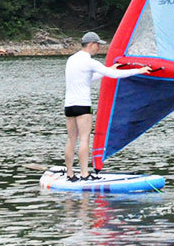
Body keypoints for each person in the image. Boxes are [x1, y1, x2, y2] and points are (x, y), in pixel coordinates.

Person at [63, 32, 151, 181]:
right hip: (83, 106)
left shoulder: (71, 60)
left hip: (69, 106)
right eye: (98, 45)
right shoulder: (89, 61)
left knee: (71, 140)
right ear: (90, 44)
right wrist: (138, 70)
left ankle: (70, 173)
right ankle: (84, 174)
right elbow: (113, 75)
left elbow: (89, 79)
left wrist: (111, 69)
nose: (98, 48)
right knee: (84, 139)